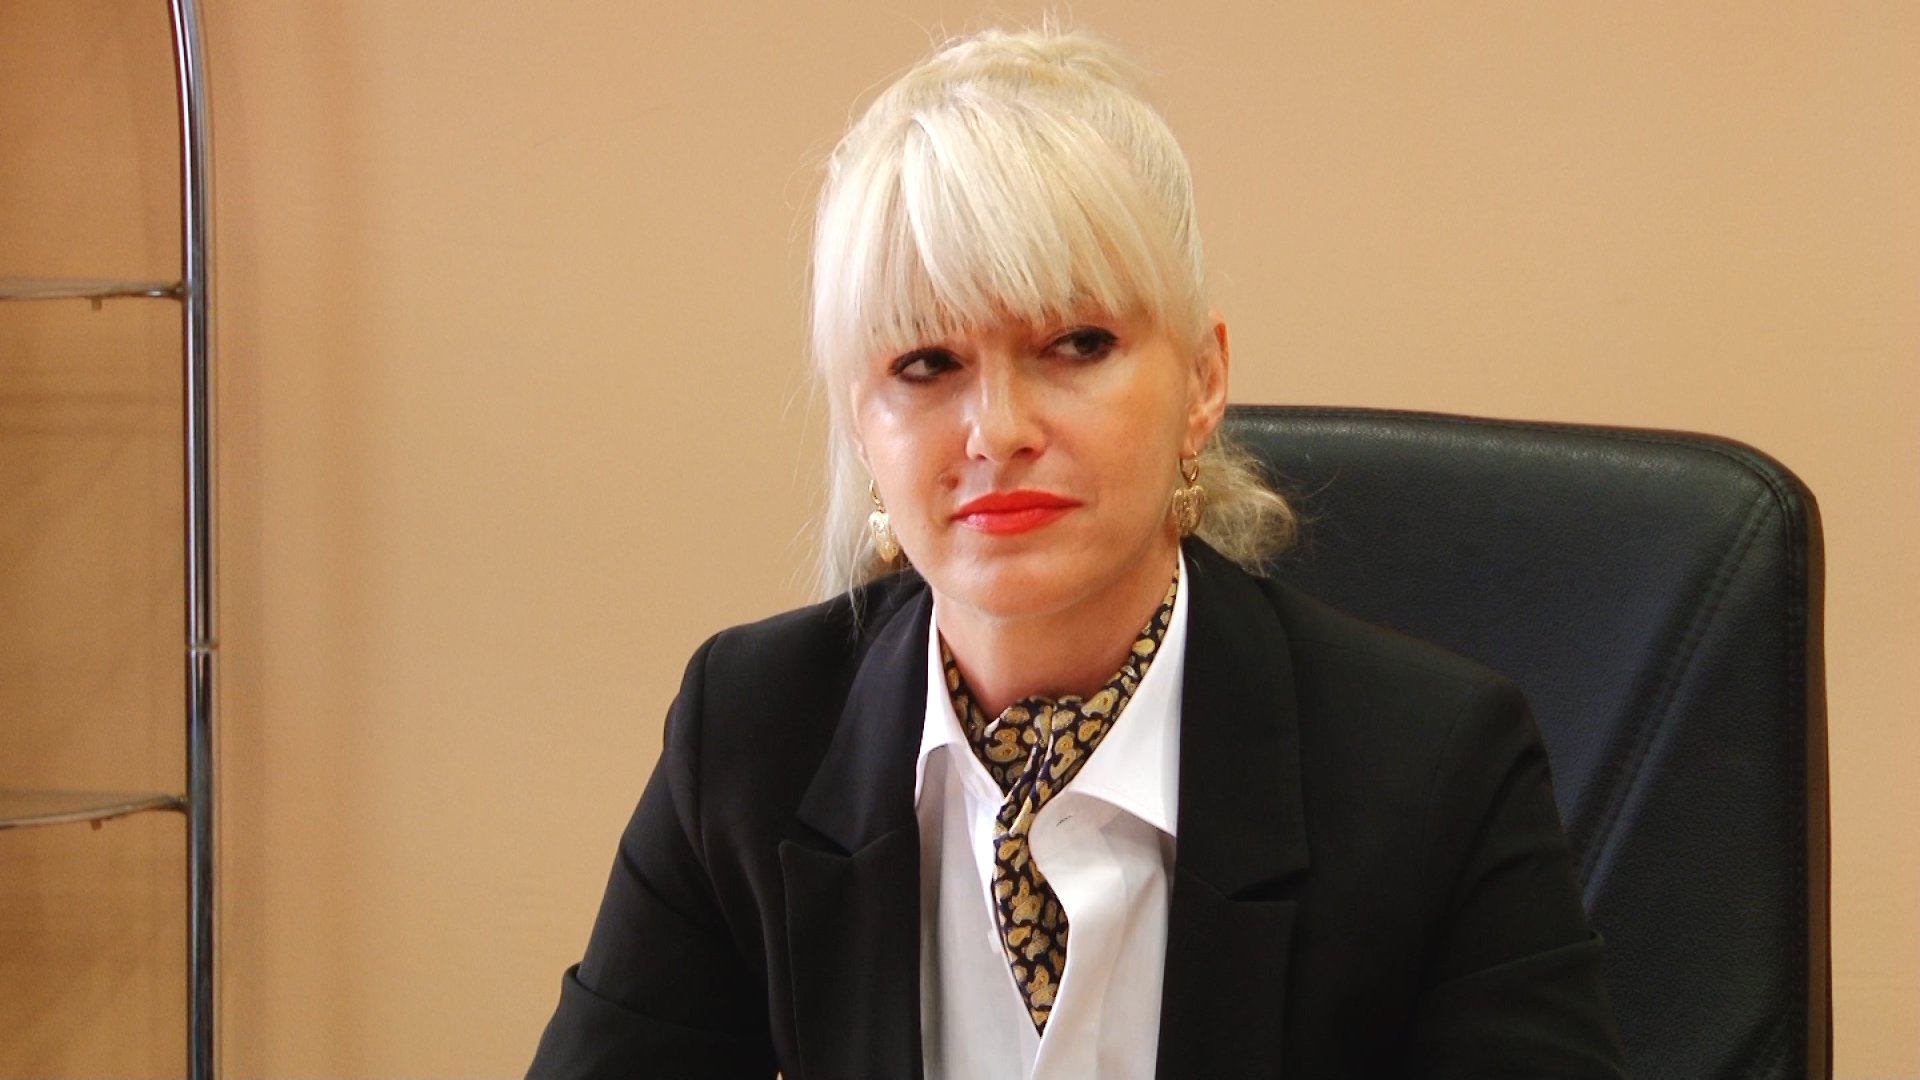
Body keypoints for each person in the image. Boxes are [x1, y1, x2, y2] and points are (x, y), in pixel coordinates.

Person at [529, 26, 1626, 1080]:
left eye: (1075, 344)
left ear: (1203, 381)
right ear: (862, 424)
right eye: (926, 363)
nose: (997, 429)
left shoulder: (1438, 770)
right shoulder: (747, 732)